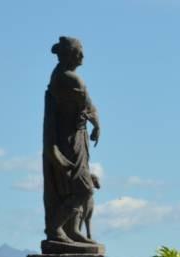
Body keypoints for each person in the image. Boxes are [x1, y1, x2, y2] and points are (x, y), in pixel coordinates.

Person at [42, 36, 101, 244]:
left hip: (76, 139)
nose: (82, 55)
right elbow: (87, 104)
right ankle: (56, 227)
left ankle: (72, 229)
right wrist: (95, 123)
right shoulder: (68, 79)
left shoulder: (67, 77)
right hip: (68, 141)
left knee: (72, 187)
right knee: (83, 189)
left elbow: (89, 107)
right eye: (78, 51)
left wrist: (96, 124)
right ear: (68, 54)